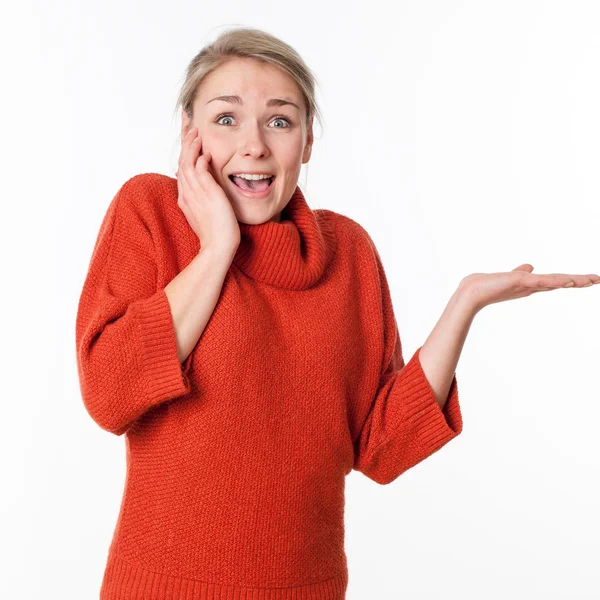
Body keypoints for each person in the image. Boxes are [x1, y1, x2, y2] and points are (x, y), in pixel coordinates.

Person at [75, 26, 600, 600]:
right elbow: (109, 392)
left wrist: (464, 304)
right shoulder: (150, 212)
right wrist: (217, 248)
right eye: (226, 119)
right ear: (189, 132)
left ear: (307, 142)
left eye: (280, 120)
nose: (253, 145)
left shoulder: (346, 252)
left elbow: (380, 446)